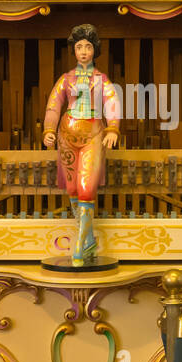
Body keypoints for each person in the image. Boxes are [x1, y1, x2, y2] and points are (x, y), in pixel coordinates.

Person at [42, 24, 121, 266]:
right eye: (79, 47)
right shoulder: (65, 79)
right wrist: (48, 130)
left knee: (86, 187)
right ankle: (88, 241)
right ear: (74, 51)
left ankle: (79, 244)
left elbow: (112, 103)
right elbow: (54, 106)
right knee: (73, 189)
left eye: (88, 46)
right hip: (67, 134)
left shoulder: (102, 80)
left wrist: (113, 128)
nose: (83, 51)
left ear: (94, 50)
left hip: (93, 135)